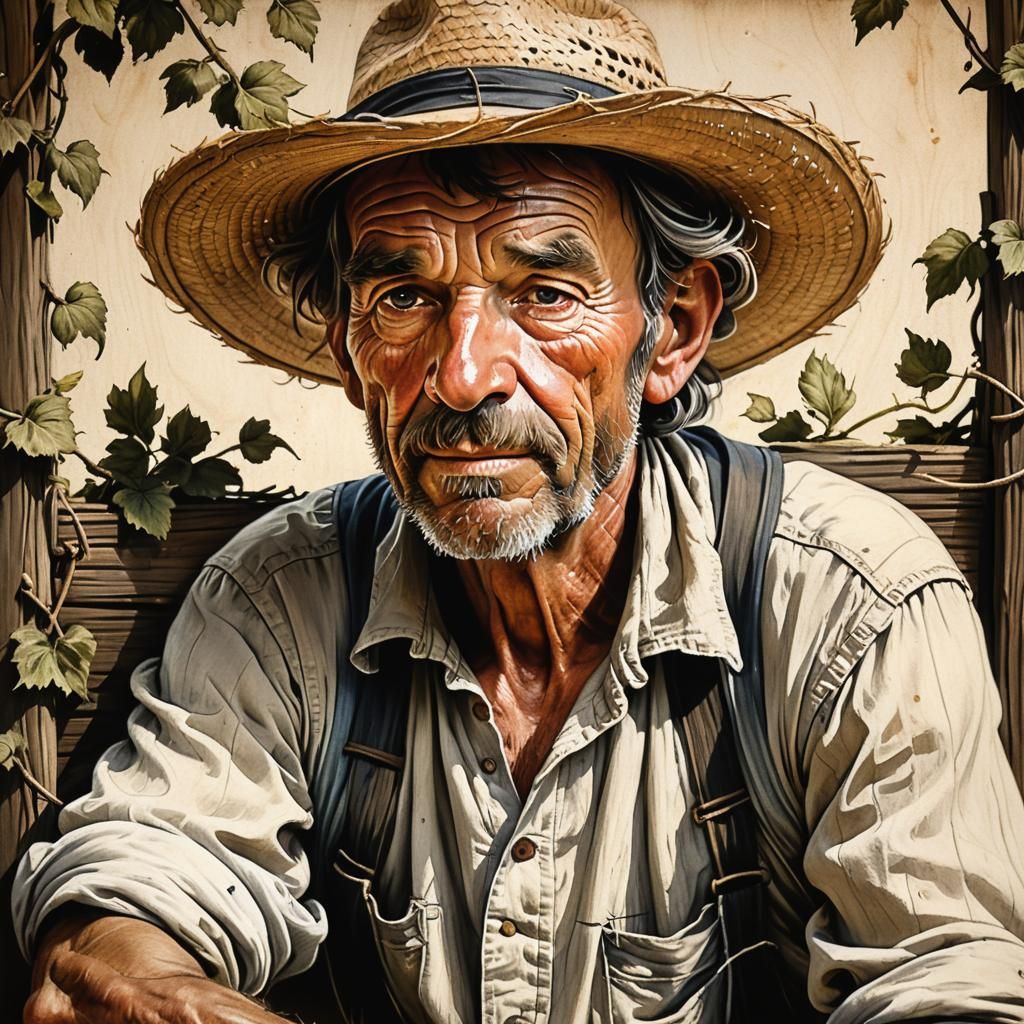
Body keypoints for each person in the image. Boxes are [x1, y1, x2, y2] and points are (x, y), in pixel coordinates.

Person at [15, 1, 1024, 1022]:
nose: (460, 377)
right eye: (402, 298)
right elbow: (131, 901)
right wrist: (144, 977)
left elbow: (949, 988)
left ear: (672, 329)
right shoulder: (284, 603)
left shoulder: (846, 608)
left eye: (543, 291)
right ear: (347, 348)